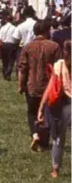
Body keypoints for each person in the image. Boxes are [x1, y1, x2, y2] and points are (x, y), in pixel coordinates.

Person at [18, 21, 60, 152]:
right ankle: (44, 141)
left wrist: (21, 85)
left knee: (32, 112)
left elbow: (23, 68)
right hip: (48, 85)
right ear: (47, 31)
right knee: (48, 114)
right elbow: (58, 67)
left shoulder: (28, 47)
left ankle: (34, 134)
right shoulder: (54, 47)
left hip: (31, 85)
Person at [37, 40, 71, 178]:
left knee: (58, 138)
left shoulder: (59, 65)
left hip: (61, 105)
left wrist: (41, 107)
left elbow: (51, 86)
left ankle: (55, 169)